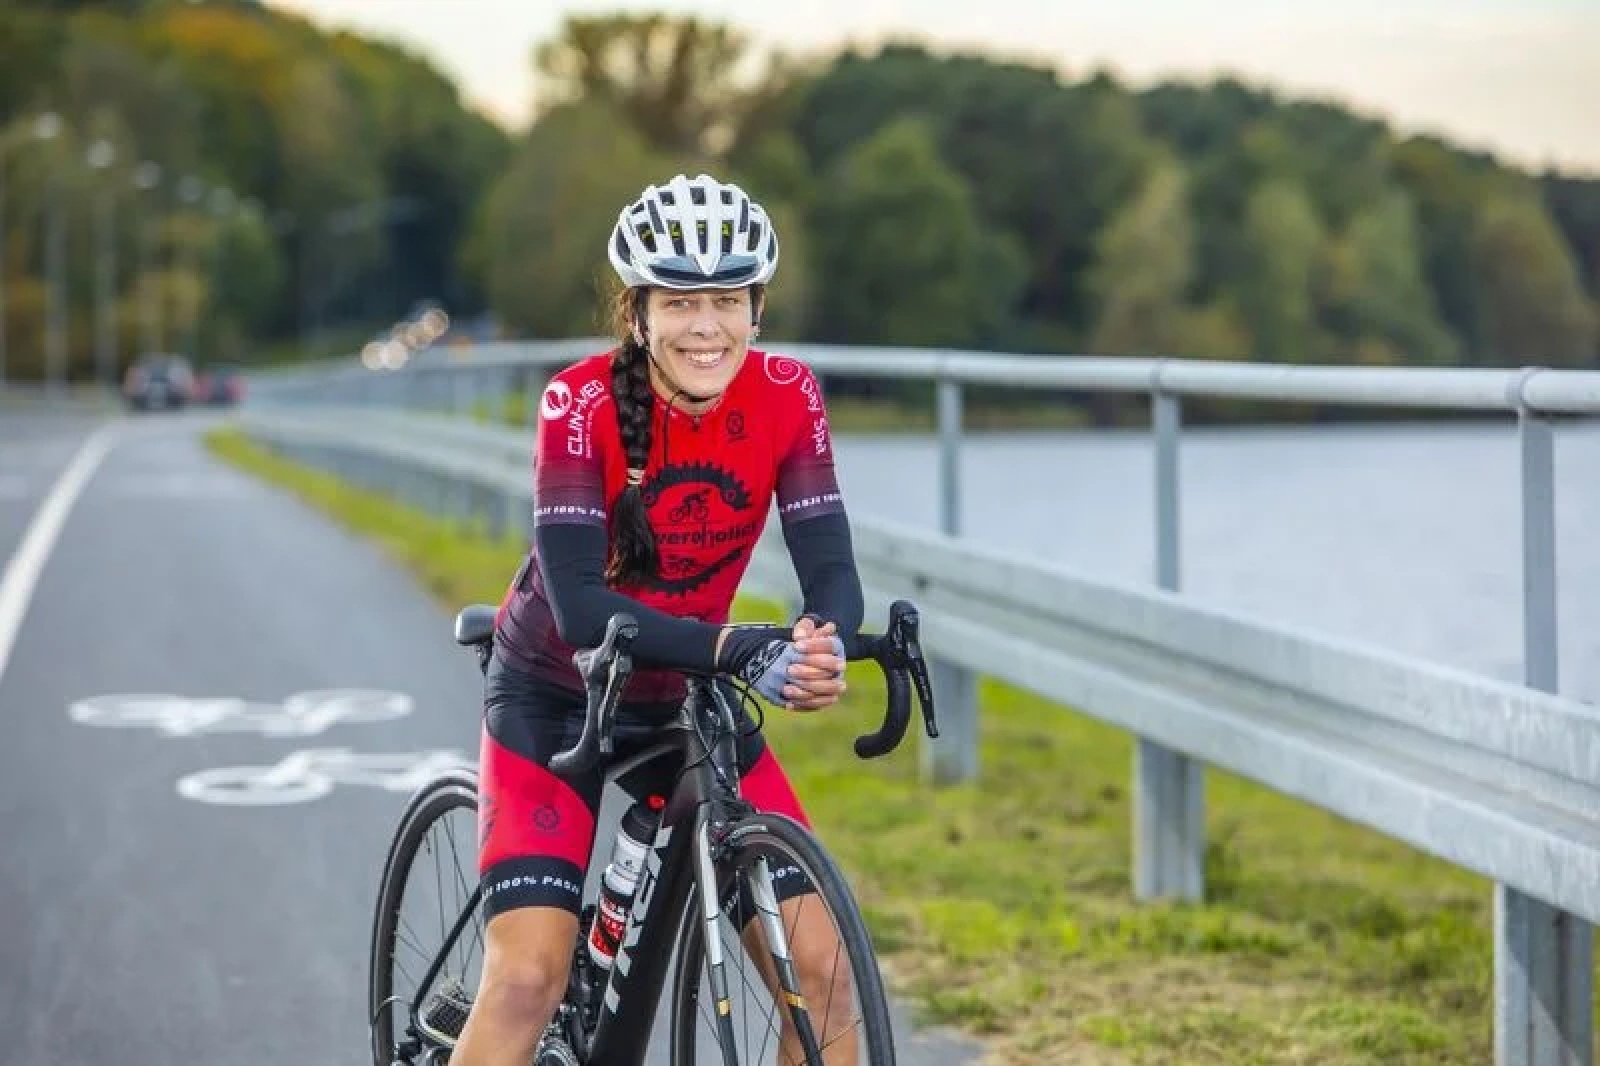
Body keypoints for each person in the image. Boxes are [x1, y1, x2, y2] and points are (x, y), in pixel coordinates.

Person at [453, 173, 866, 1065]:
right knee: (527, 981)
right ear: (638, 314)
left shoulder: (789, 394)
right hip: (558, 697)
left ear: (757, 310)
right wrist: (736, 648)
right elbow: (581, 609)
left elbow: (831, 566)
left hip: (684, 693)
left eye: (727, 300)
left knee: (826, 979)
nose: (706, 326)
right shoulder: (578, 403)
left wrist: (821, 640)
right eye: (680, 302)